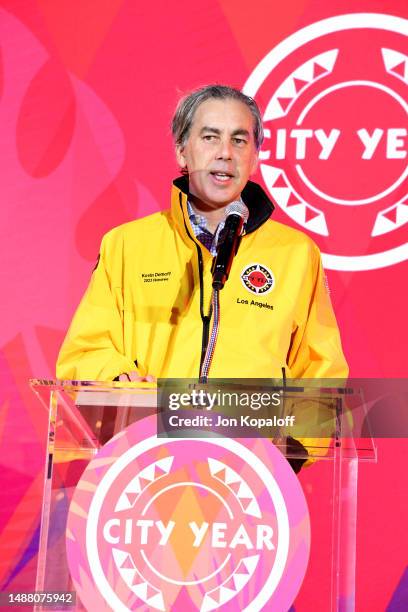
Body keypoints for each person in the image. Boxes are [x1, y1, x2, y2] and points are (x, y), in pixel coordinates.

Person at [56, 85, 348, 462]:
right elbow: (85, 351)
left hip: (254, 478)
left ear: (255, 157)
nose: (225, 153)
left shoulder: (296, 254)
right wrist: (118, 385)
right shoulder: (127, 245)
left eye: (239, 140)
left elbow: (321, 372)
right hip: (141, 466)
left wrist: (286, 456)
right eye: (210, 137)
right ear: (182, 150)